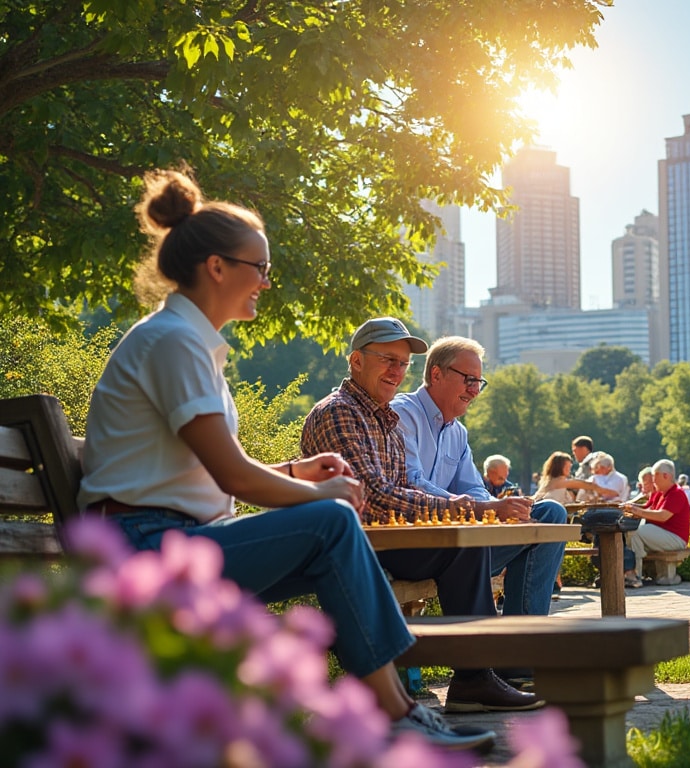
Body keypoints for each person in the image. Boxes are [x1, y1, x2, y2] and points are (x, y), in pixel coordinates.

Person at [75, 169, 493, 750]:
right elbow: (229, 475)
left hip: (177, 535)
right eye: (260, 268)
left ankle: (390, 709)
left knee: (333, 535)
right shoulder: (173, 342)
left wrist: (296, 474)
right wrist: (319, 495)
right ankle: (396, 712)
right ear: (217, 267)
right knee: (333, 522)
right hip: (149, 548)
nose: (266, 283)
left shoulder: (188, 343)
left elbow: (207, 472)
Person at [302, 319, 540, 714]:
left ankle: (479, 676)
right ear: (356, 361)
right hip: (353, 547)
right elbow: (375, 499)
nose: (397, 371)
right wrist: (471, 509)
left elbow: (405, 493)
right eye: (387, 360)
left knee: (467, 542)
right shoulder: (340, 412)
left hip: (385, 541)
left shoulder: (387, 420)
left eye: (403, 363)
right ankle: (476, 677)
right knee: (463, 543)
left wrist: (473, 512)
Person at [387, 335, 568, 620]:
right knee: (472, 545)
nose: (474, 391)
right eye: (468, 380)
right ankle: (499, 653)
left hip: (462, 540)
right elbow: (411, 484)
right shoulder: (401, 414)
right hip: (420, 549)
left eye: (479, 383)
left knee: (550, 513)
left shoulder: (458, 432)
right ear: (436, 374)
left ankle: (524, 644)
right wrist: (486, 510)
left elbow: (474, 488)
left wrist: (506, 514)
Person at [620, 459, 690, 588]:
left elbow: (662, 516)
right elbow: (648, 508)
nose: (653, 480)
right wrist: (631, 508)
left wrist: (636, 510)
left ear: (666, 476)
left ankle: (635, 574)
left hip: (675, 538)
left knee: (637, 531)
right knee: (632, 532)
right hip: (663, 535)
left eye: (655, 476)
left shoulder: (677, 494)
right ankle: (633, 573)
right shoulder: (660, 493)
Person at [533, 452, 619, 504]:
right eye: (567, 467)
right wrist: (608, 492)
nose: (569, 470)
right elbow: (586, 485)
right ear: (559, 467)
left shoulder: (549, 481)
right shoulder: (558, 482)